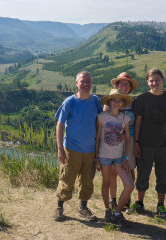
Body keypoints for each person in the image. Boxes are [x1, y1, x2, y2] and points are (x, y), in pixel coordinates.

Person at [128, 68, 166, 218]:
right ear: (147, 82)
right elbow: (138, 122)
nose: (154, 83)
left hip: (164, 145)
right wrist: (137, 143)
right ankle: (139, 203)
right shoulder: (142, 99)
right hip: (144, 144)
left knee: (163, 175)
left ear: (163, 80)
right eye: (151, 81)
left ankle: (161, 205)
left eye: (157, 80)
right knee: (142, 175)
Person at [53, 70, 102, 221]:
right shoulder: (69, 102)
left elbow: (100, 123)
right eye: (83, 81)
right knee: (67, 178)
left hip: (90, 150)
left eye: (88, 81)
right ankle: (59, 207)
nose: (86, 84)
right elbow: (60, 126)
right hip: (72, 149)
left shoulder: (96, 101)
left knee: (87, 180)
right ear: (76, 83)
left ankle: (83, 208)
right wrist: (60, 149)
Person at [96, 89, 135, 226]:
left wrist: (125, 157)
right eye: (114, 100)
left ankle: (117, 212)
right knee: (106, 183)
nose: (116, 103)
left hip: (119, 157)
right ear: (109, 101)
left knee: (130, 185)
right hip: (104, 155)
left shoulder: (125, 118)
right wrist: (96, 158)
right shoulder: (101, 117)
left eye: (119, 100)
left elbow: (128, 139)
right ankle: (107, 210)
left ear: (123, 103)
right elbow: (98, 137)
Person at [103, 72, 139, 210]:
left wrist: (136, 141)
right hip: (113, 142)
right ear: (117, 85)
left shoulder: (135, 103)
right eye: (121, 83)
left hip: (129, 142)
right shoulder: (110, 101)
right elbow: (103, 121)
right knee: (113, 171)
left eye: (126, 84)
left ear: (130, 88)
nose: (124, 86)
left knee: (129, 169)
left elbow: (138, 123)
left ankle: (126, 198)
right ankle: (113, 199)